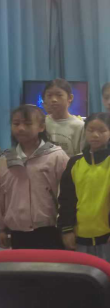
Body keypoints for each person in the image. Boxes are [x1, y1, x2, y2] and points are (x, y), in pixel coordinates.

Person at [58, 113, 110, 274]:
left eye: (102, 131)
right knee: (83, 281)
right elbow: (66, 198)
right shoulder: (74, 162)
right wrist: (66, 229)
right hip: (79, 236)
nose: (95, 135)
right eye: (90, 130)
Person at [0, 105, 69, 249]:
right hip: (16, 233)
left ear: (41, 127)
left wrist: (68, 229)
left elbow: (68, 195)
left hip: (51, 232)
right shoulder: (4, 160)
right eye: (16, 123)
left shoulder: (56, 156)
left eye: (27, 124)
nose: (21, 128)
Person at [43, 78, 85, 156]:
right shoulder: (42, 123)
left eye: (59, 95)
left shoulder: (79, 126)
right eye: (49, 95)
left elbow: (82, 156)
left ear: (70, 98)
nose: (54, 99)